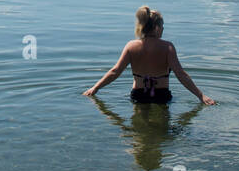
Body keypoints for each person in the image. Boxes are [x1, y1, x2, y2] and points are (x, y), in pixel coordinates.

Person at [83, 6, 216, 105]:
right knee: (161, 132)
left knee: (139, 131)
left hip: (139, 95)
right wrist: (201, 96)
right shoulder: (167, 47)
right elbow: (181, 74)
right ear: (157, 28)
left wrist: (95, 88)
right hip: (161, 95)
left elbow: (115, 72)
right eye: (163, 26)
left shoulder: (131, 46)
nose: (163, 29)